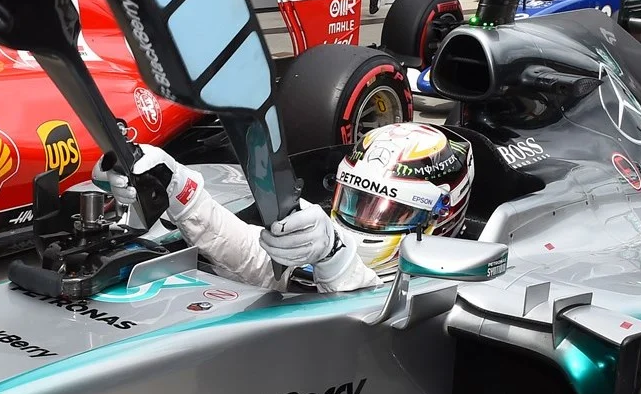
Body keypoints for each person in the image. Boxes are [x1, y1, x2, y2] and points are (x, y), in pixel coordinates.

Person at [97, 122, 474, 292]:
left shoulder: (453, 285)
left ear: (442, 213)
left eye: (392, 212)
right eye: (359, 201)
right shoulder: (322, 235)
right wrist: (178, 186)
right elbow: (248, 254)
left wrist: (334, 256)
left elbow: (369, 303)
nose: (366, 220)